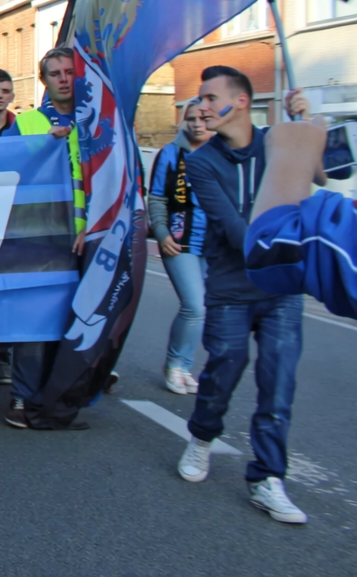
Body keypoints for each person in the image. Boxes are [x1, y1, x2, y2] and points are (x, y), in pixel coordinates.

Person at [176, 67, 311, 525]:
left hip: (284, 290)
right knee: (223, 370)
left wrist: (308, 127)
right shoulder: (199, 161)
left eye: (211, 98)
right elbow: (236, 231)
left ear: (242, 101)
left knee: (278, 384)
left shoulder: (281, 140)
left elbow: (336, 171)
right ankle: (202, 436)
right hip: (232, 290)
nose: (202, 107)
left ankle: (267, 478)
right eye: (201, 99)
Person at [0, 47, 87, 429]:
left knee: (78, 319)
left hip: (90, 236)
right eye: (55, 73)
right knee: (35, 318)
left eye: (69, 72)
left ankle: (63, 396)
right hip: (38, 236)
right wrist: (43, 146)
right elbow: (9, 172)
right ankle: (24, 394)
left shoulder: (99, 122)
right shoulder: (28, 123)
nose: (64, 79)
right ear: (44, 80)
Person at [149, 98, 211, 395]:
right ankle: (175, 364)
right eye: (191, 118)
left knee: (206, 307)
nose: (198, 123)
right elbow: (157, 198)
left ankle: (185, 366)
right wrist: (161, 233)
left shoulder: (224, 152)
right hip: (179, 241)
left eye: (203, 118)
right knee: (194, 304)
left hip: (214, 245)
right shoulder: (170, 155)